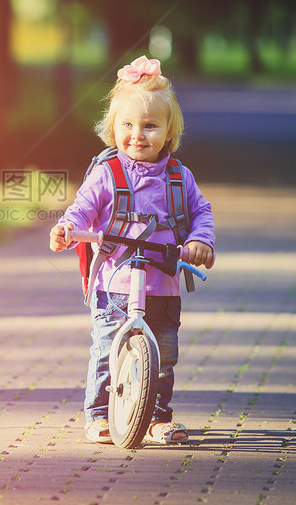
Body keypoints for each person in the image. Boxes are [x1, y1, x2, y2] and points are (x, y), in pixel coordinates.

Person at [49, 55, 215, 445]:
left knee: (164, 357)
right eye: (127, 125)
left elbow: (201, 212)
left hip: (163, 284)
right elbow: (83, 207)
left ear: (169, 132)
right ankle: (99, 414)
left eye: (149, 126)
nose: (137, 134)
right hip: (115, 282)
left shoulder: (180, 178)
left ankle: (157, 417)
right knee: (108, 348)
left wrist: (199, 240)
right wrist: (69, 229)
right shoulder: (108, 173)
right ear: (113, 127)